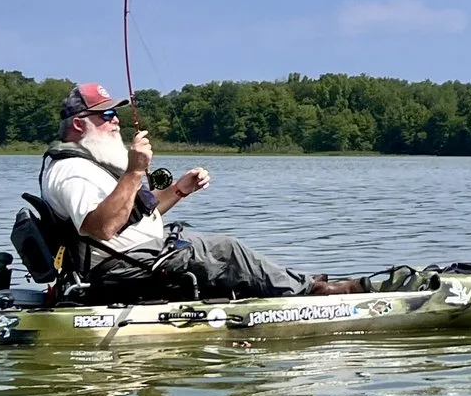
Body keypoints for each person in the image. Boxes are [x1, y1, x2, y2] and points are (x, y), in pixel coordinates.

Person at [37, 83, 362, 298]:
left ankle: (300, 283)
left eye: (117, 113)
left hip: (140, 255)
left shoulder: (93, 163)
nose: (116, 121)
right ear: (79, 123)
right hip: (121, 268)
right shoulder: (71, 170)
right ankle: (315, 293)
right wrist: (135, 170)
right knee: (226, 249)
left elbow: (130, 216)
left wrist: (179, 190)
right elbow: (102, 227)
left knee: (214, 246)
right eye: (106, 115)